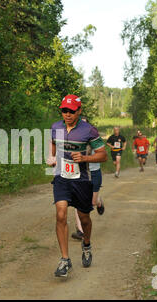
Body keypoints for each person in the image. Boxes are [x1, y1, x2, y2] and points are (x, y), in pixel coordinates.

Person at [46, 94, 107, 277]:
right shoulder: (56, 127)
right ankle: (65, 260)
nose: (67, 114)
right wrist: (52, 157)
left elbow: (103, 155)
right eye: (64, 110)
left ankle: (86, 245)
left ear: (79, 111)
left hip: (82, 179)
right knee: (61, 214)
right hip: (62, 177)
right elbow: (53, 143)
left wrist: (85, 157)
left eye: (71, 111)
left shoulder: (89, 130)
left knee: (84, 218)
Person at [71, 144, 104, 241]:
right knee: (78, 200)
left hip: (94, 173)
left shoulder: (96, 142)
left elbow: (102, 156)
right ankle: (80, 231)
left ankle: (99, 202)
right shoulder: (78, 140)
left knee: (92, 202)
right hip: (80, 173)